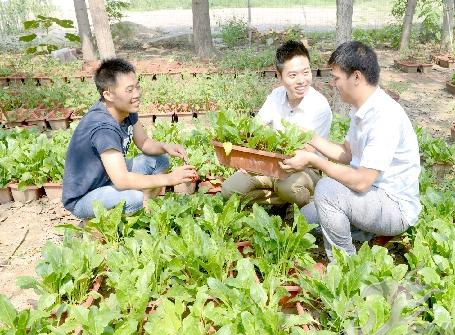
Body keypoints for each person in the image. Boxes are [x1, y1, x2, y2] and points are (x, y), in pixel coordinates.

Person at [280, 41, 421, 260]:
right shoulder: (363, 108)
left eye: (336, 78)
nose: (333, 84)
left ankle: (345, 264)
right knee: (304, 219)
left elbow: (362, 181)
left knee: (326, 190)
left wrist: (313, 160)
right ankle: (365, 231)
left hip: (393, 206)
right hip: (368, 198)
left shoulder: (384, 117)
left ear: (356, 77)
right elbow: (347, 153)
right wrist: (308, 136)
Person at [62, 58, 197, 219]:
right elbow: (121, 180)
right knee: (134, 198)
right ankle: (94, 225)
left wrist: (166, 147)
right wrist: (170, 178)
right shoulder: (103, 127)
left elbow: (144, 143)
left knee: (160, 160)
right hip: (85, 197)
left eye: (137, 87)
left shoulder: (125, 109)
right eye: (129, 90)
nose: (137, 94)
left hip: (106, 179)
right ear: (108, 95)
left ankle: (144, 212)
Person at [221, 40, 332, 208]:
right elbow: (255, 128)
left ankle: (304, 202)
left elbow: (305, 152)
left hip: (303, 169)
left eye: (306, 72)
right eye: (293, 75)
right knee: (229, 190)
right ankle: (279, 201)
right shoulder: (276, 95)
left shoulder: (319, 106)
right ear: (279, 76)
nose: (302, 80)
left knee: (289, 186)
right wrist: (250, 160)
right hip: (270, 164)